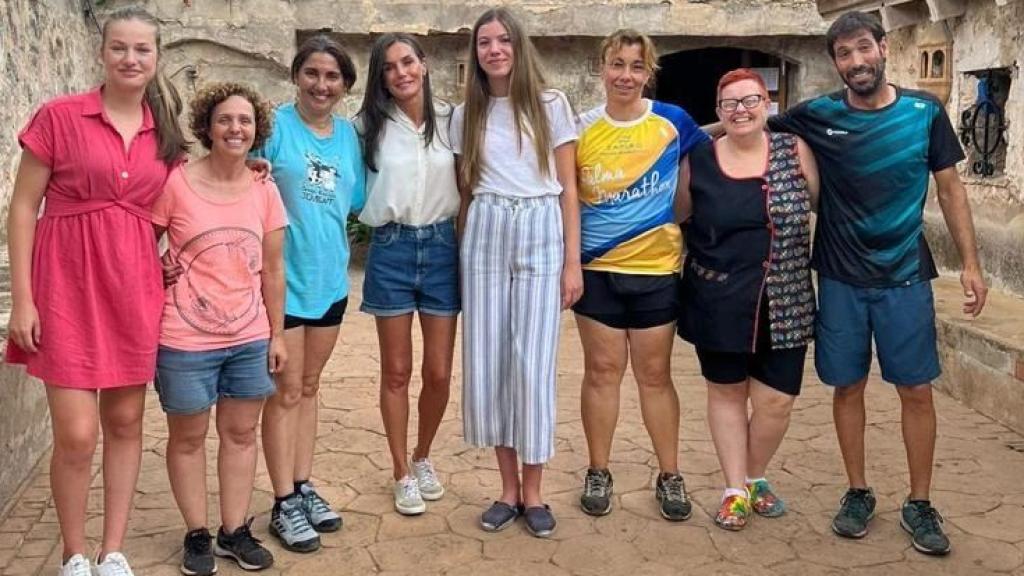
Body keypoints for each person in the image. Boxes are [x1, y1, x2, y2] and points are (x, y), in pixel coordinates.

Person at [767, 11, 987, 554]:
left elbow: (952, 191)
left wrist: (972, 266)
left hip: (905, 278)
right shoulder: (818, 114)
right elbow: (748, 123)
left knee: (915, 389)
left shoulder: (924, 111)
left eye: (863, 48)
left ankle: (919, 501)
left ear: (883, 47)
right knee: (848, 386)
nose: (856, 62)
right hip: (840, 278)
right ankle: (858, 491)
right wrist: (674, 133)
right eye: (844, 54)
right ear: (835, 63)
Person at [4, 7, 187, 576]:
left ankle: (112, 549)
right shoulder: (60, 117)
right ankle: (73, 551)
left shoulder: (169, 134)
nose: (131, 59)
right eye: (120, 48)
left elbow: (187, 198)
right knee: (78, 435)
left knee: (126, 424)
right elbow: (23, 205)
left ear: (157, 59)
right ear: (102, 53)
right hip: (64, 289)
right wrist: (25, 298)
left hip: (133, 289)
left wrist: (249, 169)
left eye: (142, 50)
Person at [451, 7, 582, 538]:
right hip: (485, 227)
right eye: (485, 42)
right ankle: (506, 489)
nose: (495, 49)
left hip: (538, 226)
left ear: (518, 46)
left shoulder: (550, 104)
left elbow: (570, 187)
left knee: (532, 362)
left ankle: (535, 490)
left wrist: (573, 261)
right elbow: (464, 191)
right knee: (489, 359)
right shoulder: (467, 113)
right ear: (476, 52)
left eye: (504, 40)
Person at [573, 29, 707, 522]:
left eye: (636, 66)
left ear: (649, 72)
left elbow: (691, 189)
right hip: (599, 271)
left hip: (656, 271)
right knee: (602, 373)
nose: (625, 75)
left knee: (655, 376)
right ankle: (598, 470)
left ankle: (669, 475)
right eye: (617, 64)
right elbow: (569, 200)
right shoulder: (580, 127)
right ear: (601, 68)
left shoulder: (673, 123)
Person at [152, 82, 285, 575]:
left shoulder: (264, 188)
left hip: (249, 336)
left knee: (241, 434)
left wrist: (276, 334)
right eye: (225, 119)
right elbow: (144, 240)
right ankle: (197, 534)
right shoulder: (176, 183)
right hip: (184, 339)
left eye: (245, 121)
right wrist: (155, 264)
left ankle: (234, 531)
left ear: (256, 131)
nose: (236, 128)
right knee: (187, 438)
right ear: (207, 126)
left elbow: (273, 269)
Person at [678, 69, 819, 531]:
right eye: (730, 103)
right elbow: (678, 216)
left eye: (751, 100)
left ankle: (755, 473)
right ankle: (736, 488)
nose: (741, 110)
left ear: (768, 104)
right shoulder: (698, 159)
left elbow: (821, 202)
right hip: (717, 297)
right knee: (726, 393)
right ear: (718, 112)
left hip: (787, 296)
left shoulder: (793, 150)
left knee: (777, 401)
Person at [256, 35, 365, 553]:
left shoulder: (348, 138)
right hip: (282, 284)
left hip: (329, 281)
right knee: (285, 391)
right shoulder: (274, 129)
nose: (321, 85)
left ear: (345, 85)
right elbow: (244, 186)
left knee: (311, 386)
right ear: (297, 75)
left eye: (332, 77)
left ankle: (302, 485)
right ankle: (282, 501)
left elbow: (355, 201)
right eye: (312, 74)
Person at [355, 33, 460, 516]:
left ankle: (422, 456)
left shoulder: (453, 122)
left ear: (425, 64)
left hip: (443, 248)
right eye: (389, 67)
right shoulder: (366, 128)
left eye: (407, 62)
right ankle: (400, 470)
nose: (401, 73)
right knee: (396, 371)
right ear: (381, 78)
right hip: (392, 248)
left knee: (437, 372)